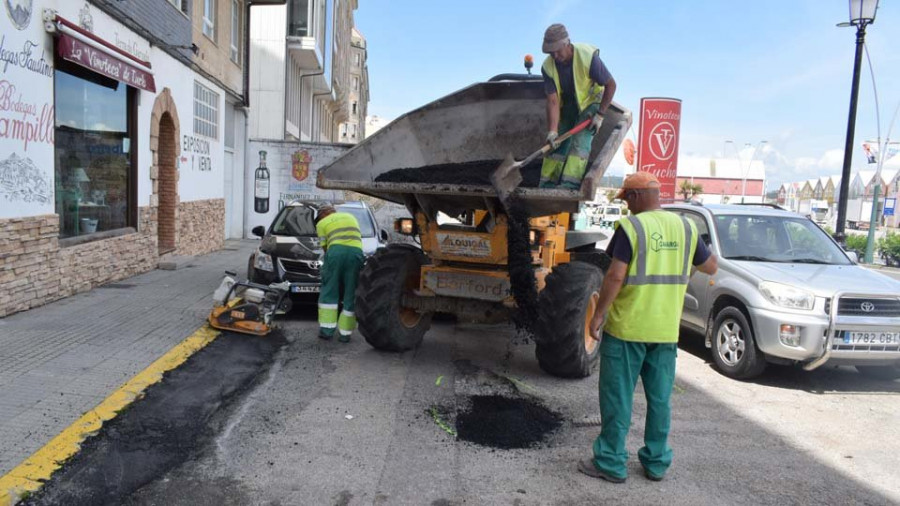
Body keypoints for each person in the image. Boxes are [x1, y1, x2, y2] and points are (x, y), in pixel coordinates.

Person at [578, 172, 718, 483]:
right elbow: (710, 266)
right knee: (659, 401)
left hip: (627, 329)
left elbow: (615, 276)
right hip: (666, 331)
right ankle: (656, 463)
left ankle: (611, 463)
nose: (626, 205)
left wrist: (598, 314)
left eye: (627, 198)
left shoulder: (633, 227)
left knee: (618, 398)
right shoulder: (686, 227)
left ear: (638, 196)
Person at [539, 23, 617, 189]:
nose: (555, 55)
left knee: (580, 142)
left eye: (558, 50)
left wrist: (600, 114)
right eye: (550, 52)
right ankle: (547, 184)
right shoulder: (547, 67)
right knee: (557, 141)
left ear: (567, 43)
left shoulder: (587, 57)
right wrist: (552, 131)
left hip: (591, 103)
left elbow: (611, 84)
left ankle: (569, 184)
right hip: (568, 103)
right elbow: (552, 101)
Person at [315, 204, 365, 343]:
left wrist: (330, 265)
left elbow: (325, 248)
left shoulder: (321, 223)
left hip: (336, 252)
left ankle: (327, 331)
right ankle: (345, 334)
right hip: (356, 253)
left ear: (322, 214)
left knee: (330, 289)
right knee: (350, 292)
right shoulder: (350, 217)